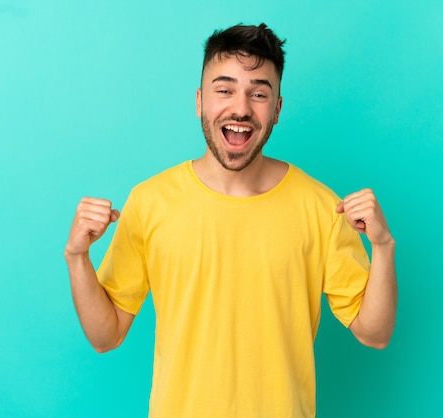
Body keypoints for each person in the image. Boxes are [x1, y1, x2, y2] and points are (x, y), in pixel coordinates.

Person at [64, 23, 397, 418]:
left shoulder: (321, 206)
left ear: (276, 110)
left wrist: (383, 246)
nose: (240, 108)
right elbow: (106, 335)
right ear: (200, 101)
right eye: (224, 90)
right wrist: (77, 256)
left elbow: (374, 334)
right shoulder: (150, 201)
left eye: (258, 93)